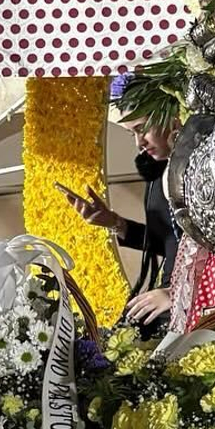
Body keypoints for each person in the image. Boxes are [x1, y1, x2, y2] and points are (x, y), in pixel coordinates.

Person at [61, 104, 181, 330]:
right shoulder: (159, 174)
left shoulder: (202, 170)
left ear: (171, 117)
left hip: (196, 298)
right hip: (169, 294)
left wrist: (176, 294)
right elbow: (169, 242)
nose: (139, 143)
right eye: (132, 133)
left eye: (142, 129)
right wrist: (116, 223)